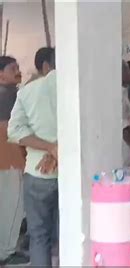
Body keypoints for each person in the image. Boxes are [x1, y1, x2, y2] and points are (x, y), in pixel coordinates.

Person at [8, 47, 58, 267]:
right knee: (72, 233)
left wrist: (49, 147)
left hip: (37, 174)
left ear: (46, 66)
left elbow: (15, 131)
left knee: (39, 238)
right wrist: (58, 148)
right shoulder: (79, 88)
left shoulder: (27, 92)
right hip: (72, 173)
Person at [0, 56, 29, 265]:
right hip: (9, 158)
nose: (17, 71)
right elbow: (12, 130)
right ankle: (7, 252)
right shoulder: (10, 94)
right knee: (12, 206)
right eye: (12, 68)